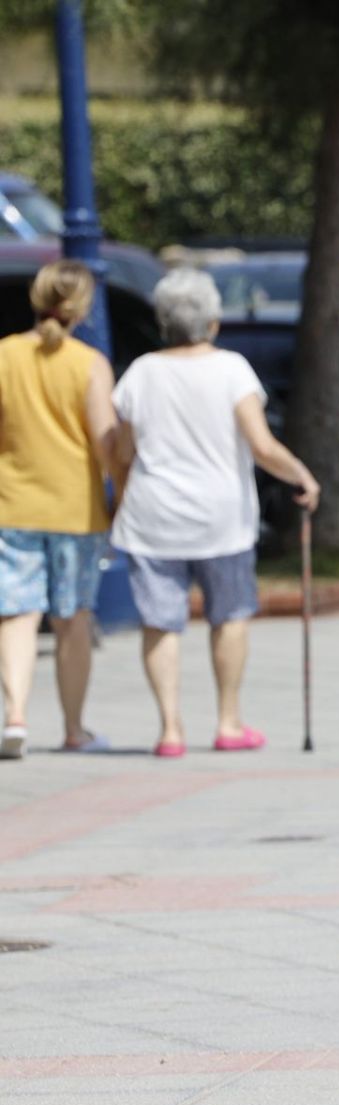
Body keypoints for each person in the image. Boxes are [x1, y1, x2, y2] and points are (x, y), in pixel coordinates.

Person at [110, 268, 319, 757]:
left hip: (153, 514)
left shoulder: (140, 372)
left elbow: (122, 450)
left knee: (160, 623)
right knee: (229, 616)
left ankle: (170, 730)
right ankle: (228, 722)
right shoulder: (231, 369)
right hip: (220, 517)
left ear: (164, 322)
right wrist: (301, 477)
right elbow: (261, 445)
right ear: (212, 322)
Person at [0, 260, 121, 759]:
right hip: (75, 509)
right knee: (73, 619)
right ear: (81, 309)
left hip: (11, 504)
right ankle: (73, 729)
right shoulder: (89, 364)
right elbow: (106, 445)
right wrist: (122, 492)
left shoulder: (5, 354)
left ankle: (15, 716)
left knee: (16, 614)